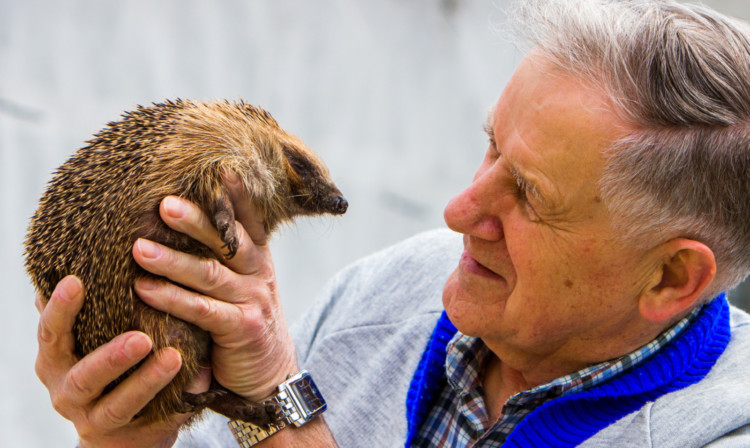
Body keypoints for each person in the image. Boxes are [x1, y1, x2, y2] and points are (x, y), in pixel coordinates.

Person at [34, 0, 750, 446]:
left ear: (670, 276)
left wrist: (277, 405)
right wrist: (135, 430)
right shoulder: (393, 288)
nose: (459, 212)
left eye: (529, 196)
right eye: (491, 145)